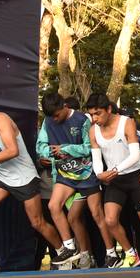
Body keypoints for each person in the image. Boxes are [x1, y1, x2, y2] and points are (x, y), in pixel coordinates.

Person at [0, 94, 67, 276]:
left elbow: (13, 150)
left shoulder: (1, 120)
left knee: (37, 222)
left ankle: (63, 253)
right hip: (2, 176)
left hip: (24, 177)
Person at [37, 92, 114, 268]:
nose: (55, 120)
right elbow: (40, 146)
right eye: (51, 117)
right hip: (65, 175)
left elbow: (89, 147)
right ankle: (70, 247)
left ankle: (111, 253)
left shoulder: (82, 120)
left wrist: (67, 149)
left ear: (64, 106)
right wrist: (50, 152)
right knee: (53, 206)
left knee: (96, 214)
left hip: (86, 174)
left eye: (57, 115)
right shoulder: (48, 121)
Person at [82, 93, 140, 268]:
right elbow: (97, 160)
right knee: (110, 220)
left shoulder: (126, 122)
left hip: (135, 175)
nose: (95, 118)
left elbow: (135, 155)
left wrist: (114, 170)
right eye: (92, 114)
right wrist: (100, 174)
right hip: (115, 179)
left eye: (98, 113)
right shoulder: (93, 130)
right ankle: (131, 254)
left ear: (109, 109)